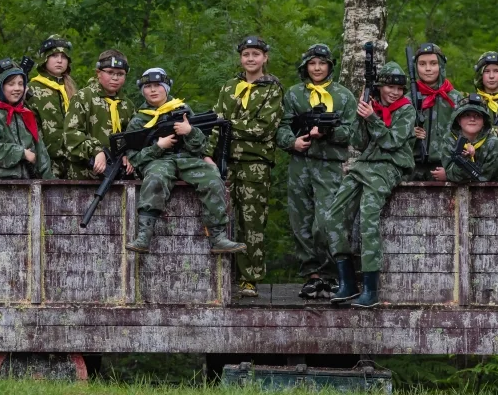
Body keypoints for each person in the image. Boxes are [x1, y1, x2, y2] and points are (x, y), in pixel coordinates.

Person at [323, 62, 416, 309]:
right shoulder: (370, 107)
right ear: (379, 87)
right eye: (389, 87)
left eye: (398, 88)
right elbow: (359, 143)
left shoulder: (406, 110)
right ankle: (347, 281)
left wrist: (373, 119)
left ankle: (371, 289)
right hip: (365, 164)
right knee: (333, 216)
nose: (394, 92)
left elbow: (392, 142)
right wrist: (362, 116)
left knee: (368, 218)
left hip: (390, 164)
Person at [124, 68, 245, 255]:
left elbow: (200, 146)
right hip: (160, 161)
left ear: (166, 88)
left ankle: (218, 237)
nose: (153, 90)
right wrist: (159, 146)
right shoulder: (138, 120)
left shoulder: (182, 111)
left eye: (158, 85)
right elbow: (136, 158)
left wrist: (190, 131)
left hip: (188, 160)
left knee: (212, 178)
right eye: (148, 86)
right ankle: (144, 236)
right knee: (155, 178)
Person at [276, 44, 356, 299]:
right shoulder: (294, 94)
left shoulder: (343, 96)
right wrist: (293, 142)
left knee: (326, 222)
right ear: (305, 67)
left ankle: (331, 274)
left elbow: (352, 132)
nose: (318, 68)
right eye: (312, 63)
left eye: (322, 63)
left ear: (330, 66)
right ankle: (312, 276)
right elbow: (281, 126)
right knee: (300, 221)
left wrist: (329, 132)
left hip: (329, 165)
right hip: (300, 164)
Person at [210, 36, 283, 298]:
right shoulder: (230, 87)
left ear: (265, 58)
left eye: (255, 54)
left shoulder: (272, 89)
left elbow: (263, 129)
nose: (250, 59)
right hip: (225, 162)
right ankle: (220, 277)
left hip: (255, 163)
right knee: (220, 219)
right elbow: (214, 124)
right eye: (246, 54)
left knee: (251, 222)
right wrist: (208, 154)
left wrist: (228, 126)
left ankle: (249, 279)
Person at [0, 58, 54, 179]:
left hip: (27, 182)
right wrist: (21, 153)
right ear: (0, 87)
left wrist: (49, 181)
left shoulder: (25, 114)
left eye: (20, 84)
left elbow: (40, 151)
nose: (17, 88)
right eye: (11, 84)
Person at [67, 50, 137, 177]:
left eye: (120, 74)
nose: (115, 78)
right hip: (85, 175)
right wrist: (97, 151)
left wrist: (130, 155)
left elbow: (134, 137)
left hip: (119, 175)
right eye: (110, 72)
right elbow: (71, 134)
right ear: (98, 73)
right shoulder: (83, 97)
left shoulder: (127, 105)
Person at [409, 42, 463, 181]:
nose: (428, 69)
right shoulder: (408, 99)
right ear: (415, 66)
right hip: (412, 168)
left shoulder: (455, 98)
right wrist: (410, 132)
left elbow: (466, 133)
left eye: (433, 63)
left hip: (445, 168)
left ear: (441, 65)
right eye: (422, 64)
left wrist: (453, 169)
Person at [27, 35, 79, 178]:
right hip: (46, 162)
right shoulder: (31, 89)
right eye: (54, 55)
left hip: (73, 160)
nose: (60, 60)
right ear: (45, 58)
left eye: (64, 56)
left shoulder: (72, 89)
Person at [440, 94, 498, 183]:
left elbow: (485, 177)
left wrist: (465, 163)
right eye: (467, 115)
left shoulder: (494, 143)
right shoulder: (449, 140)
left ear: (484, 122)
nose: (472, 119)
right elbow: (452, 174)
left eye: (477, 116)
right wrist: (463, 160)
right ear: (459, 120)